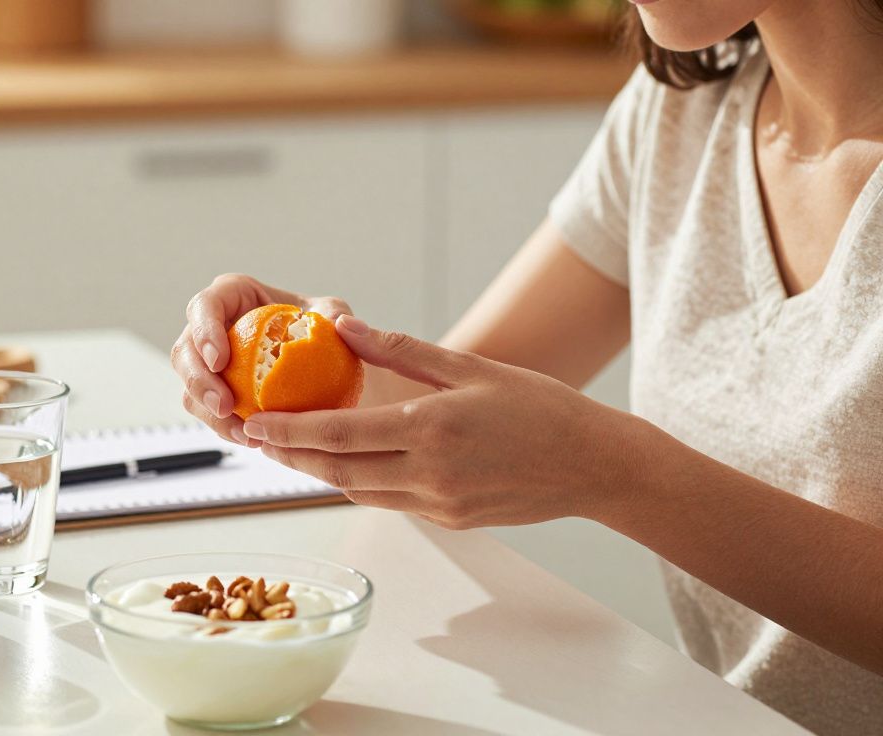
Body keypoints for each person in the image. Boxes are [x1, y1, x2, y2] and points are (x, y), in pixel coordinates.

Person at [171, 1, 883, 733]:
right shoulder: (682, 113)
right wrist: (315, 356)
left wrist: (614, 473)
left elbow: (585, 460)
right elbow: (447, 403)